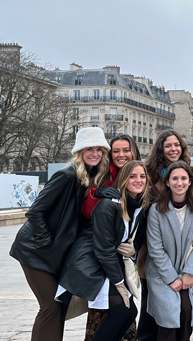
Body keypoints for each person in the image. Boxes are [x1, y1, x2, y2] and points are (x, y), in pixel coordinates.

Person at [10, 126, 111, 341]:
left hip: (54, 254)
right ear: (80, 152)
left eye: (99, 149)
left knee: (60, 307)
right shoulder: (66, 175)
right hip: (35, 252)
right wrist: (47, 244)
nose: (95, 153)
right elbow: (35, 212)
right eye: (89, 149)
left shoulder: (92, 177)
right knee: (50, 307)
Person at [57, 160, 150, 340]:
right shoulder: (108, 206)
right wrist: (119, 283)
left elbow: (138, 235)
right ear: (123, 180)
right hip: (93, 264)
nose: (138, 180)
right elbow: (104, 250)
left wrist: (134, 248)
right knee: (122, 311)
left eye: (142, 176)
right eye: (132, 176)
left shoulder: (140, 205)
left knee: (129, 313)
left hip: (110, 263)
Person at [81, 134, 143, 341]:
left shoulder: (140, 190)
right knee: (117, 313)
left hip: (118, 262)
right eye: (115, 151)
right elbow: (92, 217)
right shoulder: (102, 179)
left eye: (126, 150)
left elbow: (136, 226)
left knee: (127, 313)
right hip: (103, 261)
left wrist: (134, 248)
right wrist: (98, 193)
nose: (121, 155)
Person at [145, 162, 193, 341]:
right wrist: (171, 277)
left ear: (190, 182)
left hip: (188, 270)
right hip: (162, 272)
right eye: (174, 178)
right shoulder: (156, 210)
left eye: (183, 178)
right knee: (169, 313)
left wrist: (190, 272)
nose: (179, 183)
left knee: (187, 310)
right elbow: (155, 248)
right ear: (167, 182)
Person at [138, 130, 192, 340]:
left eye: (176, 145)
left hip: (180, 252)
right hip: (153, 248)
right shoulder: (148, 175)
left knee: (180, 310)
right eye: (168, 145)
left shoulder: (190, 171)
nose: (173, 149)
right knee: (150, 305)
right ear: (160, 148)